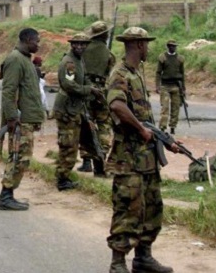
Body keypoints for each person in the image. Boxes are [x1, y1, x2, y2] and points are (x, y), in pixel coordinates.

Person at [105, 27, 180, 273]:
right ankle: (118, 263)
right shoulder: (120, 74)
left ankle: (143, 258)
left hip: (146, 158)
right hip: (128, 158)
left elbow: (145, 117)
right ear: (138, 45)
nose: (148, 48)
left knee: (152, 207)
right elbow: (116, 105)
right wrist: (140, 129)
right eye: (145, 44)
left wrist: (166, 141)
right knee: (128, 209)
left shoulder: (136, 74)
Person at [0, 28, 44, 211]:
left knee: (22, 158)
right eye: (36, 41)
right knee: (18, 158)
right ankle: (6, 196)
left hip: (26, 119)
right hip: (19, 120)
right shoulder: (15, 59)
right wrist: (11, 117)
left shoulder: (25, 60)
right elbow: (8, 91)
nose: (38, 45)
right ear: (27, 39)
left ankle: (8, 194)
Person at [53, 33, 103, 191]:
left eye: (83, 44)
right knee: (68, 144)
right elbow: (69, 85)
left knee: (81, 141)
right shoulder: (69, 63)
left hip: (76, 107)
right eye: (77, 44)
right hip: (67, 108)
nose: (80, 46)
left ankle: (65, 175)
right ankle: (62, 179)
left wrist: (93, 88)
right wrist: (89, 90)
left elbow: (84, 78)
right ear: (71, 45)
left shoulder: (79, 60)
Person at [78, 20, 116, 176]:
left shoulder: (82, 50)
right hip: (101, 92)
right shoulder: (109, 54)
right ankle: (101, 157)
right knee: (104, 124)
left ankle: (86, 160)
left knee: (86, 125)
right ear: (106, 35)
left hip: (85, 91)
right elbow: (108, 72)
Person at [155, 40, 185, 135]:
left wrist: (183, 88)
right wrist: (157, 85)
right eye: (171, 46)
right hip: (165, 86)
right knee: (165, 107)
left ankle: (173, 127)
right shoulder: (162, 58)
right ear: (168, 46)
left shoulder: (180, 58)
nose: (173, 48)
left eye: (174, 46)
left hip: (176, 86)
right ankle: (163, 127)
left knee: (176, 107)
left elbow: (182, 73)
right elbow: (158, 72)